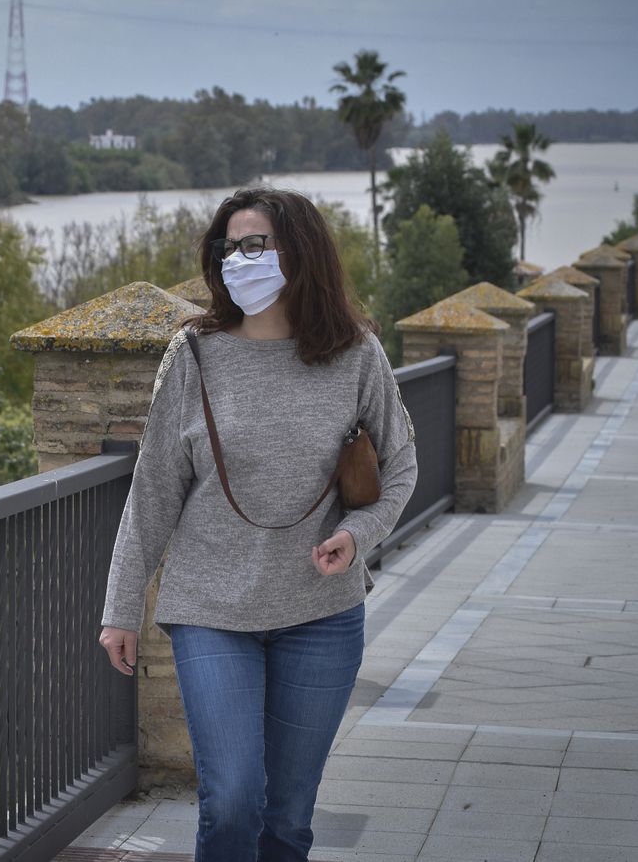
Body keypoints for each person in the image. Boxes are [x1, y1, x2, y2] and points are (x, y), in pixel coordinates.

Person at [97, 186, 418, 862]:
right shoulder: (193, 355)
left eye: (256, 244)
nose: (239, 260)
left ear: (300, 252)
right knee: (233, 799)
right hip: (211, 607)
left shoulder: (355, 352)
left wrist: (357, 535)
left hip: (321, 611)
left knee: (289, 817)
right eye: (229, 247)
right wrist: (121, 606)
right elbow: (152, 489)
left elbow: (403, 465)